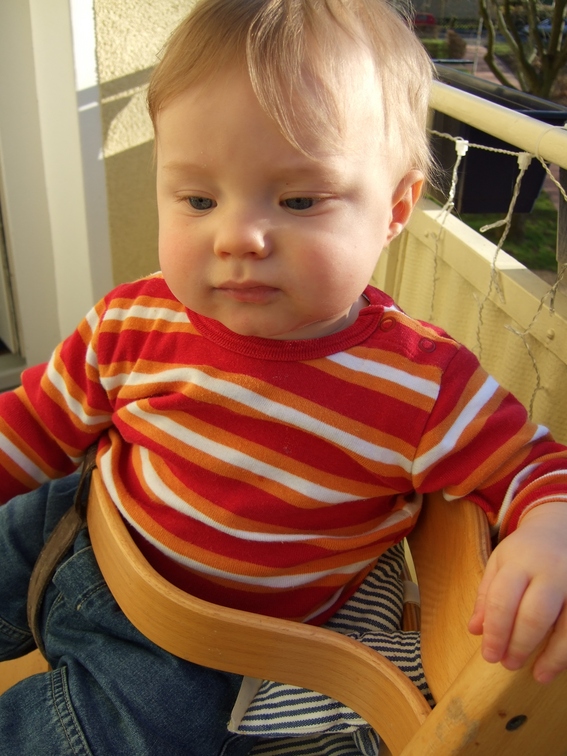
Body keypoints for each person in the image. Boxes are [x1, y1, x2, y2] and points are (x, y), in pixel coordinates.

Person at [1, 0, 566, 753]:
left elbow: (535, 469)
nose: (237, 236)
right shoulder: (132, 320)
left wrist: (552, 530)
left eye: (299, 200)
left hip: (190, 653)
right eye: (198, 199)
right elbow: (34, 426)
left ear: (395, 208)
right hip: (78, 521)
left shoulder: (422, 384)